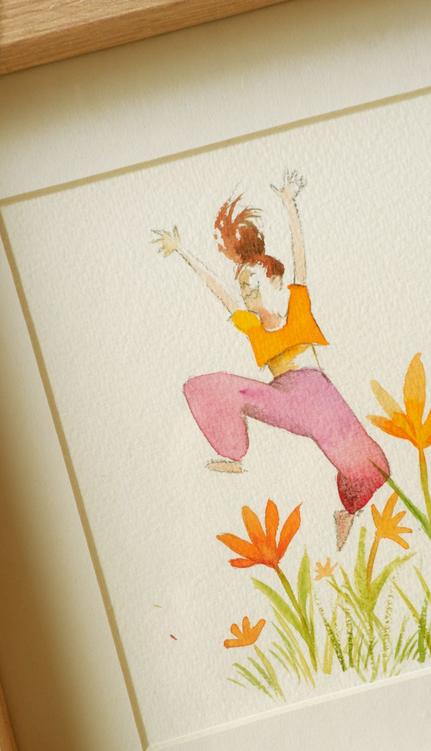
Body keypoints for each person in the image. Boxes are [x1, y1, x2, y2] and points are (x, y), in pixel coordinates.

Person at [152, 171, 389, 550]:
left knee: (370, 465)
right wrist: (183, 252)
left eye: (253, 284)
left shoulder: (297, 309)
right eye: (244, 289)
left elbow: (299, 257)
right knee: (210, 387)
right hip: (284, 398)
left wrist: (290, 204)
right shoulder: (253, 327)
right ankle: (234, 454)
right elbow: (220, 292)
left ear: (274, 279)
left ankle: (347, 512)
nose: (247, 294)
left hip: (319, 397)